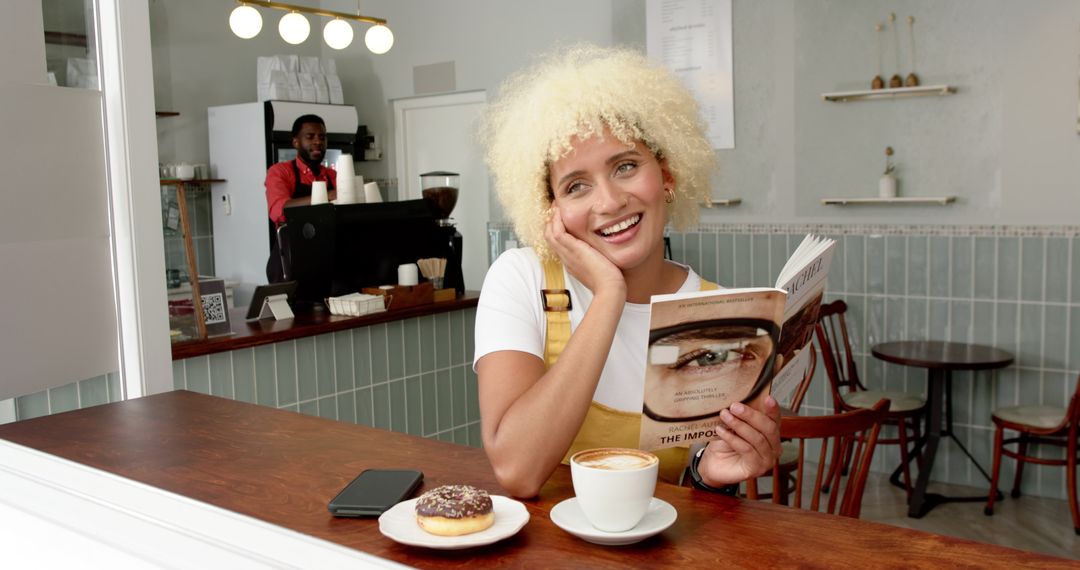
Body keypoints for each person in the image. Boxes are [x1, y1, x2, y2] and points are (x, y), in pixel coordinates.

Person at [474, 44, 782, 499]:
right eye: (576, 186)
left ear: (667, 174)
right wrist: (609, 296)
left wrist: (711, 474)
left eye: (625, 166)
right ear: (551, 209)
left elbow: (685, 495)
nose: (609, 201)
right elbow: (517, 470)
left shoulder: (714, 312)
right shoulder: (521, 278)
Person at [264, 114, 338, 283]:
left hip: (325, 261)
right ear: (296, 142)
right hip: (289, 264)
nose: (318, 142)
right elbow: (279, 211)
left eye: (322, 137)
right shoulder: (280, 172)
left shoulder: (332, 175)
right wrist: (327, 196)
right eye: (310, 137)